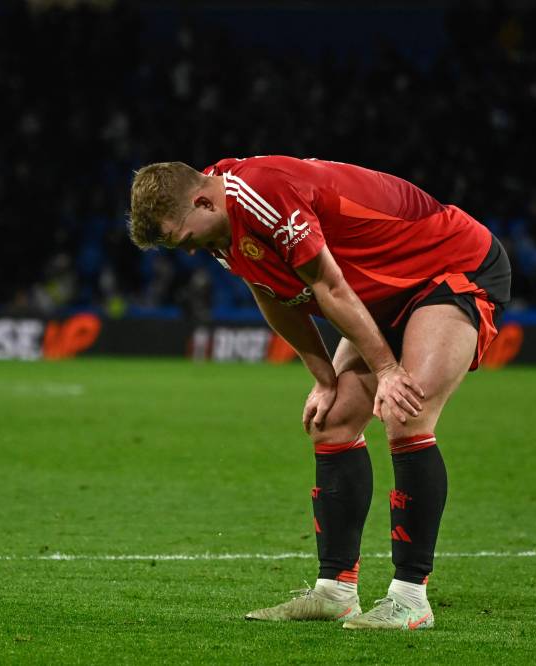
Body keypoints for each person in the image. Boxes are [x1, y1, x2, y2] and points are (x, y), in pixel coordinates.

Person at [127, 156, 511, 631]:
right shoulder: (216, 220)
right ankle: (335, 592)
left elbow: (327, 285)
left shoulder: (262, 194)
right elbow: (268, 291)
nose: (189, 251)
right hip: (378, 292)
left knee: (405, 411)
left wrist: (388, 369)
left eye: (184, 238)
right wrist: (324, 377)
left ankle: (411, 597)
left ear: (202, 200)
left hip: (447, 267)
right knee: (330, 420)